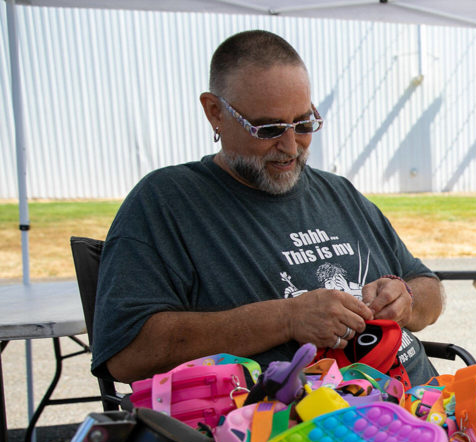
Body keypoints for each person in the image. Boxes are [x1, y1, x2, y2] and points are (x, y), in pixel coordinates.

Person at [91, 30, 445, 387]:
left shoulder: (338, 192)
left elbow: (430, 288)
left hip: (429, 409)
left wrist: (407, 300)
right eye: (268, 129)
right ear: (215, 112)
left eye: (304, 124)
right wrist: (285, 319)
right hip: (307, 430)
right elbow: (127, 353)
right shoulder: (168, 201)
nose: (291, 147)